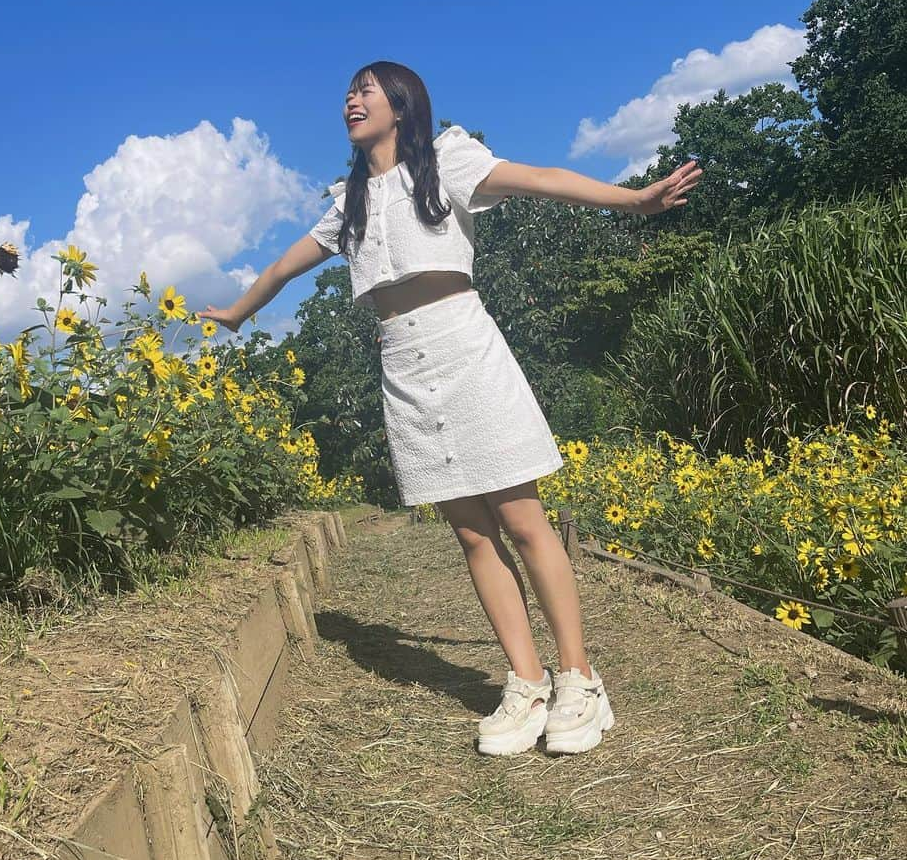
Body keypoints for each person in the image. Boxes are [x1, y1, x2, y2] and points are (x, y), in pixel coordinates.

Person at [199, 61, 702, 758]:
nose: (351, 99)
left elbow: (543, 179)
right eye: (348, 92)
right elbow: (287, 264)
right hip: (401, 363)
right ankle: (526, 683)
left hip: (463, 343)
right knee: (470, 532)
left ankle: (579, 681)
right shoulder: (347, 202)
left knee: (523, 520)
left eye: (365, 89)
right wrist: (235, 313)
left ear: (401, 105)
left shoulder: (446, 161)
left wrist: (634, 199)